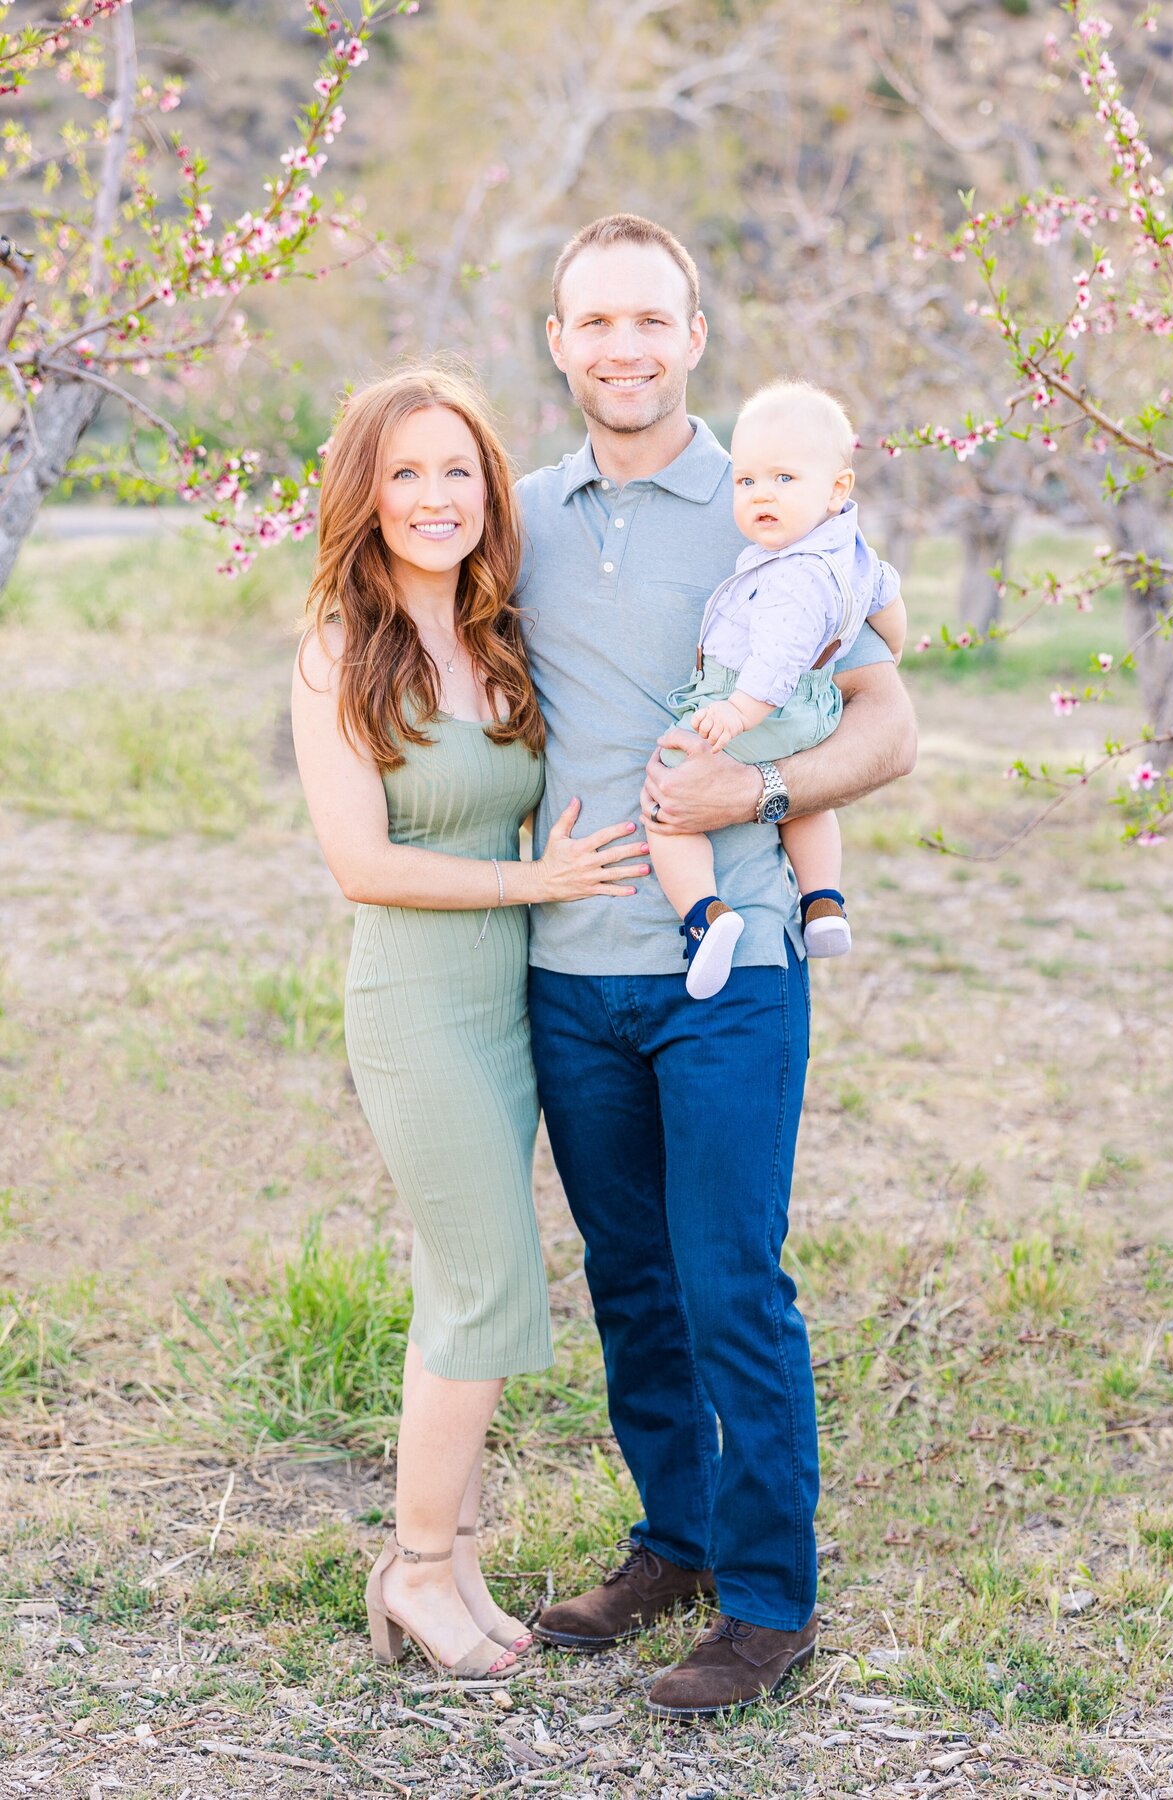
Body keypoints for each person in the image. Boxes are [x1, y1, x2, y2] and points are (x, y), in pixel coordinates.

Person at [517, 215, 917, 1717]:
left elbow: (889, 727)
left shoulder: (765, 499)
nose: (622, 346)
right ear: (558, 340)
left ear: (694, 333)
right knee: (631, 1282)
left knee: (731, 1280)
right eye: (593, 321)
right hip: (571, 965)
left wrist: (749, 797)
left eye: (650, 320)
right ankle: (674, 1544)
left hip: (731, 964)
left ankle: (767, 1604)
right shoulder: (524, 510)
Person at [290, 365, 649, 1681]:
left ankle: (447, 1557)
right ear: (366, 496)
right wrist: (532, 879)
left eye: (457, 471)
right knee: (491, 1281)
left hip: (514, 1001)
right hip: (417, 1006)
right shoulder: (342, 642)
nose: (434, 497)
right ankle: (418, 1569)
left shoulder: (499, 633)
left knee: (463, 1284)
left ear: (489, 488)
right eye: (404, 474)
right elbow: (363, 863)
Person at [652, 379, 908, 1000]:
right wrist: (892, 650)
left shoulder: (791, 573)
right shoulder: (848, 550)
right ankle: (823, 901)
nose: (762, 495)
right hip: (813, 709)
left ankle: (704, 916)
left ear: (836, 487)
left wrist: (736, 711)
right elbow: (888, 598)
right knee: (806, 803)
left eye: (784, 481)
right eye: (747, 482)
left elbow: (775, 658)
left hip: (757, 703)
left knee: (667, 801)